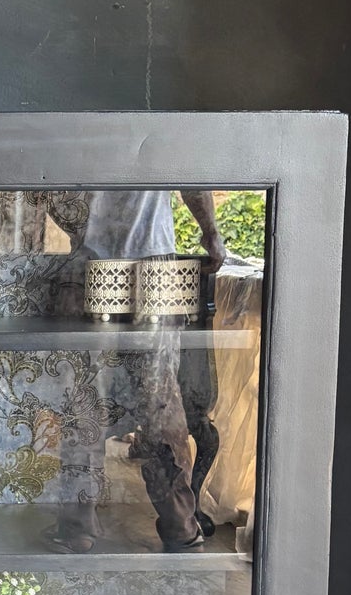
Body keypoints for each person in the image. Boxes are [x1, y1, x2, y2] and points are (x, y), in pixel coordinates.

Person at [50, 189, 225, 553]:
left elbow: (53, 193)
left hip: (91, 261)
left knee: (83, 394)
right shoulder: (163, 128)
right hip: (157, 263)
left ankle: (78, 525)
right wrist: (211, 233)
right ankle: (180, 525)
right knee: (160, 397)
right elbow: (190, 178)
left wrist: (84, 226)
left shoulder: (80, 129)